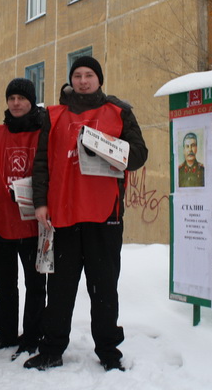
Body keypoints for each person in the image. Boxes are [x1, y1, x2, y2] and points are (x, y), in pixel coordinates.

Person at [26, 56, 148, 372]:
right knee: (60, 289)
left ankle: (108, 351)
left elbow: (138, 155)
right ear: (71, 79)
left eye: (89, 75)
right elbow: (41, 163)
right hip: (63, 215)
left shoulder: (119, 112)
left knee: (104, 288)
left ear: (99, 79)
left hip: (104, 215)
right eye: (77, 75)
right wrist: (40, 202)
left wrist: (107, 147)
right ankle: (52, 349)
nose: (83, 81)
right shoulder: (54, 115)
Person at [0, 78, 47, 360]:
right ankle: (5, 334)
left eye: (21, 98)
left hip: (34, 223)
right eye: (11, 98)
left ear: (31, 101)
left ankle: (32, 337)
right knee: (4, 286)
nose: (16, 103)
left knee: (35, 286)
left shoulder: (44, 132)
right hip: (1, 220)